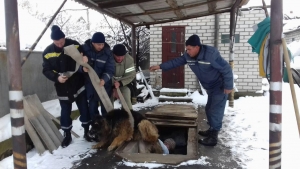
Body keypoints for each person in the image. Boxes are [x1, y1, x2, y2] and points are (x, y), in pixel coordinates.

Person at [149, 34, 233, 146]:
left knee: (215, 110)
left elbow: (226, 68)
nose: (187, 51)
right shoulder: (188, 56)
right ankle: (211, 130)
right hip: (210, 86)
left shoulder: (211, 54)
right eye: (186, 49)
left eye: (189, 49)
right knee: (209, 108)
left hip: (220, 86)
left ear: (197, 47)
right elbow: (176, 62)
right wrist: (160, 66)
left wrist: (228, 86)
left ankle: (213, 137)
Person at [42, 25, 92, 148]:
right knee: (65, 112)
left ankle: (87, 131)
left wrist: (86, 58)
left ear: (64, 38)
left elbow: (84, 56)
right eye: (57, 42)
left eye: (62, 41)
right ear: (53, 41)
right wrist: (57, 78)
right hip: (62, 86)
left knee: (84, 108)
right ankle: (67, 134)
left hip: (78, 83)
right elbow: (46, 70)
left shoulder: (74, 44)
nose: (60, 44)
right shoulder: (47, 52)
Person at [81, 32, 115, 119]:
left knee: (106, 110)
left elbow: (110, 70)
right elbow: (76, 65)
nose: (100, 46)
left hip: (104, 85)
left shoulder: (108, 54)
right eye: (98, 44)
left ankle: (106, 130)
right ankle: (96, 129)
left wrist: (104, 79)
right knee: (93, 110)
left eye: (102, 44)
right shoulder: (84, 50)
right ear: (93, 43)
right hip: (91, 86)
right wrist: (82, 69)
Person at [112, 44, 136, 110]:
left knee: (127, 98)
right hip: (108, 83)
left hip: (122, 83)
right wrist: (114, 89)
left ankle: (128, 115)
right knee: (108, 103)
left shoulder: (129, 60)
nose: (120, 58)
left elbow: (131, 75)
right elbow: (106, 73)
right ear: (113, 54)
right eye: (117, 56)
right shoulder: (108, 58)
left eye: (122, 56)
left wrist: (120, 83)